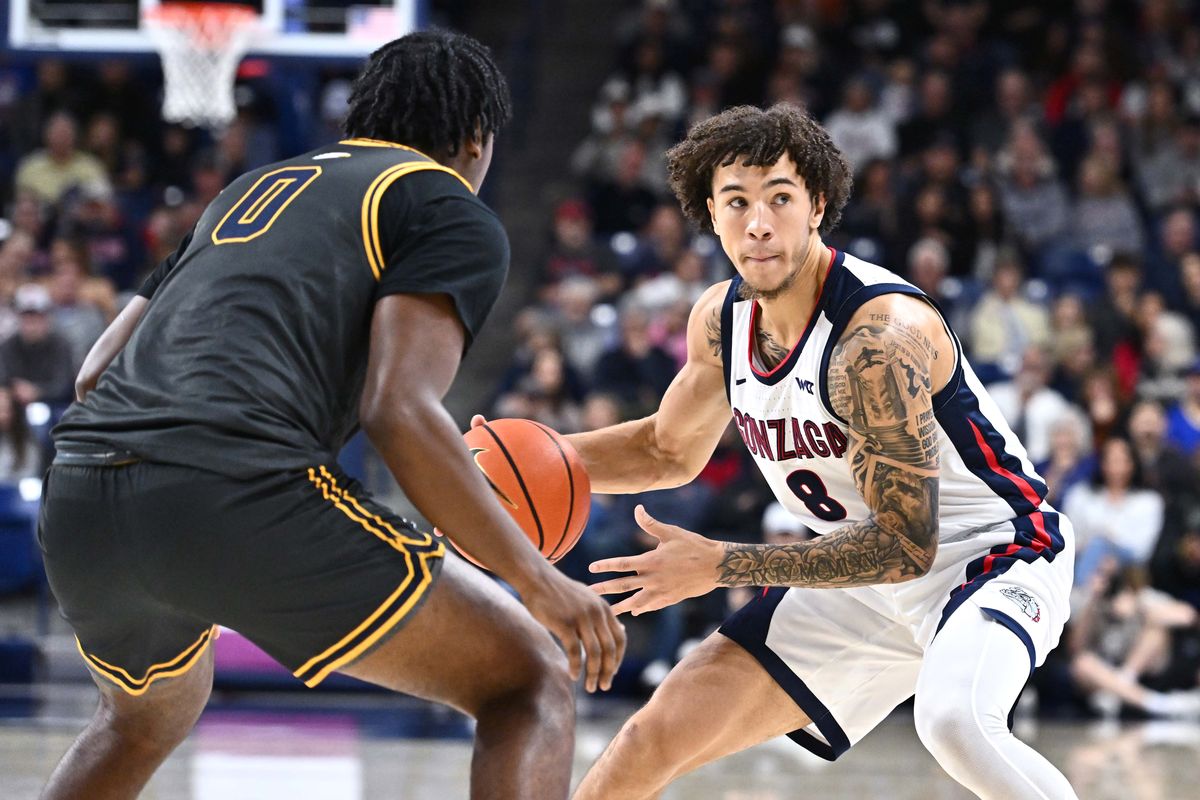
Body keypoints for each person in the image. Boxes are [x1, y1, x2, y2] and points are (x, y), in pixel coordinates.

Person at [38, 31, 624, 800]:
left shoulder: (244, 192)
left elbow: (95, 374)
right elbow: (398, 410)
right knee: (530, 680)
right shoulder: (441, 200)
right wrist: (535, 577)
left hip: (79, 501)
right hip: (235, 490)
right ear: (477, 141)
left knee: (140, 719)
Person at [557, 104, 1076, 799]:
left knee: (956, 722)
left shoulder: (878, 338)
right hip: (864, 571)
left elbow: (906, 547)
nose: (759, 223)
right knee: (656, 733)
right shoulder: (722, 318)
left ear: (818, 205)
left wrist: (722, 564)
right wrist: (523, 462)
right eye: (737, 202)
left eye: (780, 198)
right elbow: (663, 448)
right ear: (709, 214)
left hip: (988, 551)